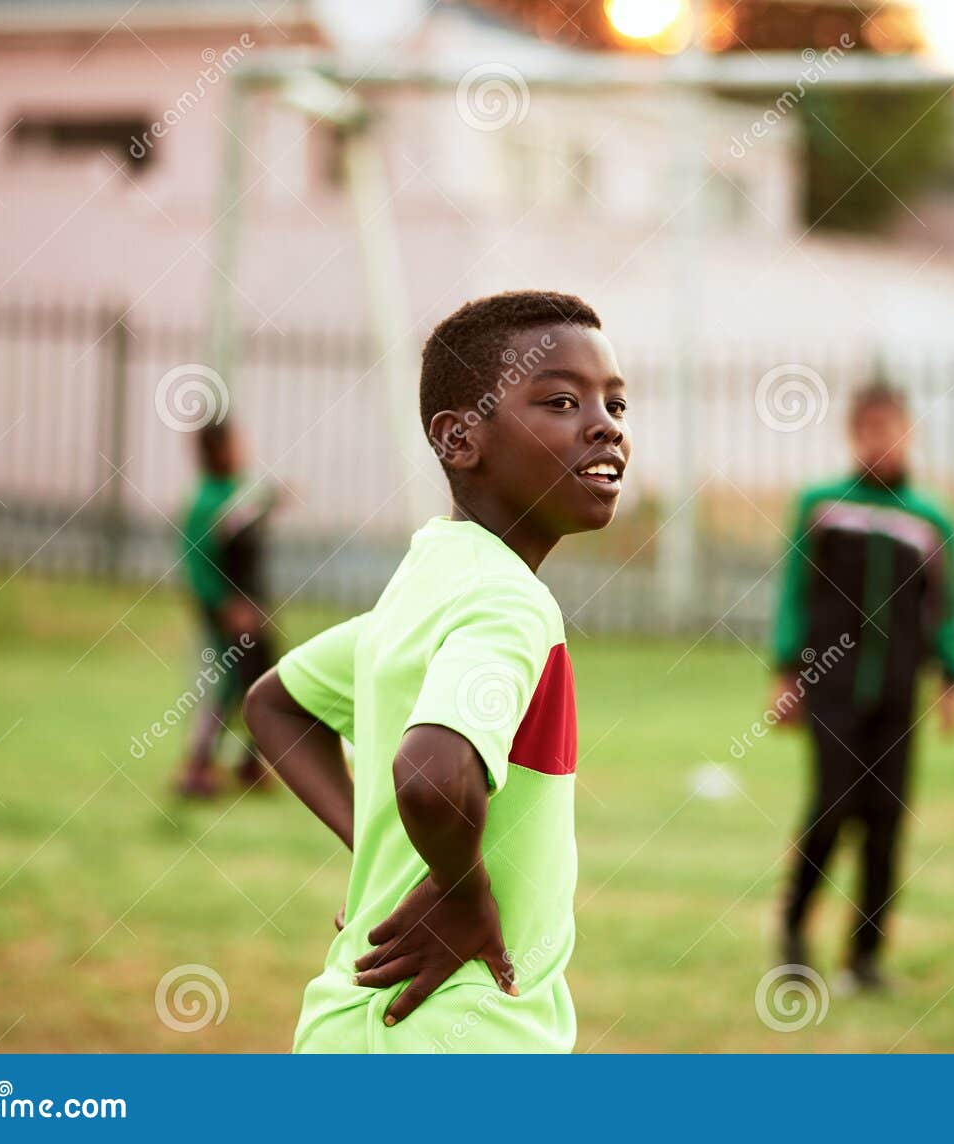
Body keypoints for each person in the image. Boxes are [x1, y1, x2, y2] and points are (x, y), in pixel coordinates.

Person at [244, 290, 628, 1052]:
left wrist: (379, 863)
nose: (605, 425)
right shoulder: (509, 601)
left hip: (348, 1029)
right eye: (560, 400)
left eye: (615, 403)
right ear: (458, 439)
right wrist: (460, 891)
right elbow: (429, 772)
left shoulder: (426, 582)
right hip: (459, 1038)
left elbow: (276, 705)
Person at [770, 382, 954, 992]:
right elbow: (793, 594)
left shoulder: (929, 520)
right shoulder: (821, 506)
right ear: (854, 434)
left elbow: (944, 611)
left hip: (899, 694)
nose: (884, 442)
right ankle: (795, 933)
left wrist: (952, 678)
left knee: (886, 820)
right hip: (831, 688)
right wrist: (784, 673)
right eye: (872, 430)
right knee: (832, 806)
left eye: (895, 430)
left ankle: (866, 958)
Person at [174, 417, 281, 798]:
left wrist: (272, 500)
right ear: (218, 451)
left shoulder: (237, 492)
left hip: (255, 607)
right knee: (226, 684)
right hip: (230, 612)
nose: (244, 449)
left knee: (264, 682)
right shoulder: (205, 503)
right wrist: (226, 606)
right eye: (237, 443)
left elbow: (249, 515)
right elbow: (198, 565)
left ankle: (251, 762)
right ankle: (196, 766)